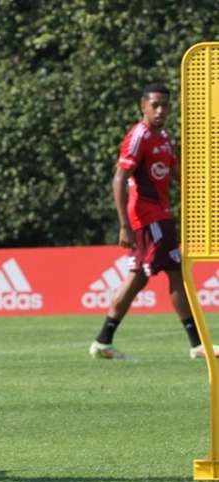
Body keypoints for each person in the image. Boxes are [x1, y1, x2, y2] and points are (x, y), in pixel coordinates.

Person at [89, 83, 219, 361]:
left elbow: (174, 172)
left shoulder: (165, 137)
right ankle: (197, 345)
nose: (160, 111)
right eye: (155, 105)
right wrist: (124, 224)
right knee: (174, 272)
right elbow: (120, 178)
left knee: (138, 278)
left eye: (165, 106)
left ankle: (103, 341)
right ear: (143, 106)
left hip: (161, 214)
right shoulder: (139, 136)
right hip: (149, 216)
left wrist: (202, 185)